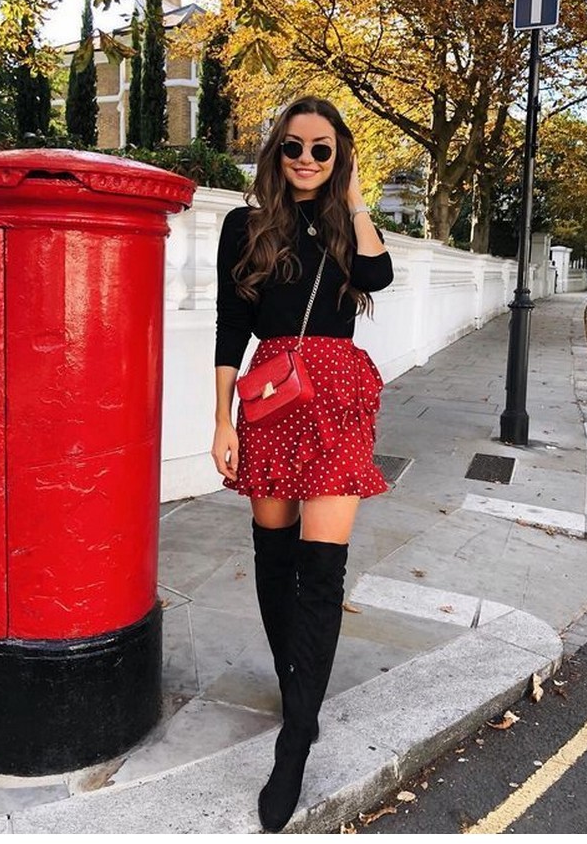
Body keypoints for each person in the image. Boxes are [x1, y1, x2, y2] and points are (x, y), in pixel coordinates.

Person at [211, 96, 393, 833]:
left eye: (323, 149)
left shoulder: (349, 225)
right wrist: (218, 419)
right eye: (294, 147)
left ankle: (293, 745)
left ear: (339, 154)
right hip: (271, 395)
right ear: (276, 152)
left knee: (322, 567)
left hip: (339, 396)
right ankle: (300, 696)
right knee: (274, 553)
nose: (307, 160)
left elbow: (377, 277)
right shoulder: (244, 225)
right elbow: (230, 324)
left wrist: (355, 196)